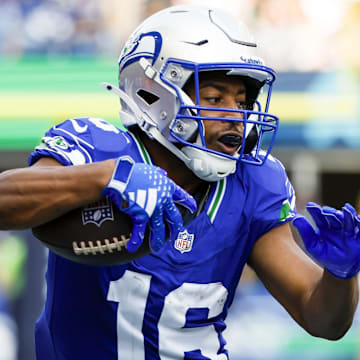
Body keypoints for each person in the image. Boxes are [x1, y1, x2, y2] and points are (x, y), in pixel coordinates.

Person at [0, 4, 360, 359]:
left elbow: (322, 319)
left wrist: (341, 275)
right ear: (152, 92)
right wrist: (106, 177)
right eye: (216, 98)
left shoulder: (253, 183)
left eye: (243, 100)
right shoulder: (97, 146)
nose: (236, 116)